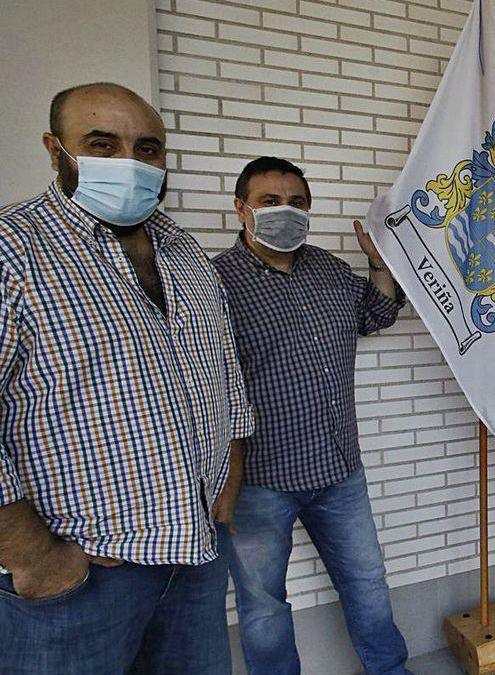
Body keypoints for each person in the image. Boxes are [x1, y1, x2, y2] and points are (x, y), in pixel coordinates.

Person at [0, 82, 254, 674]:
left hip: (195, 551)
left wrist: (231, 463)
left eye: (146, 148)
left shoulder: (182, 248)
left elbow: (224, 363)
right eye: (101, 144)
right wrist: (32, 554)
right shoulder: (14, 251)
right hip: (81, 576)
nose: (129, 163)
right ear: (55, 149)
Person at [212, 157, 412, 675]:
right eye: (270, 202)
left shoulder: (327, 268)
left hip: (339, 471)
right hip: (259, 481)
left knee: (367, 582)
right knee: (263, 605)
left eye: (297, 203)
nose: (286, 212)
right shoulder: (212, 284)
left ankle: (390, 669)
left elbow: (377, 314)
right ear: (241, 210)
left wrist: (379, 266)